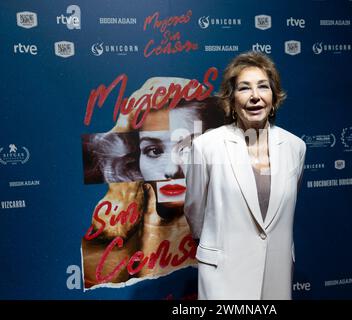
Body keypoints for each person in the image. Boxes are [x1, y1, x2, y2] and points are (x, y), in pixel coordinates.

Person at [184, 51, 307, 300]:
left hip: (276, 271)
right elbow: (195, 210)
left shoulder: (295, 147)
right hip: (223, 274)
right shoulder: (207, 146)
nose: (255, 97)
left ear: (274, 96)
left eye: (263, 87)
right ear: (232, 99)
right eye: (244, 88)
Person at [81, 77, 223, 288]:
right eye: (153, 151)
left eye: (188, 149)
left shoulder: (236, 234)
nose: (171, 170)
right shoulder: (105, 254)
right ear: (134, 159)